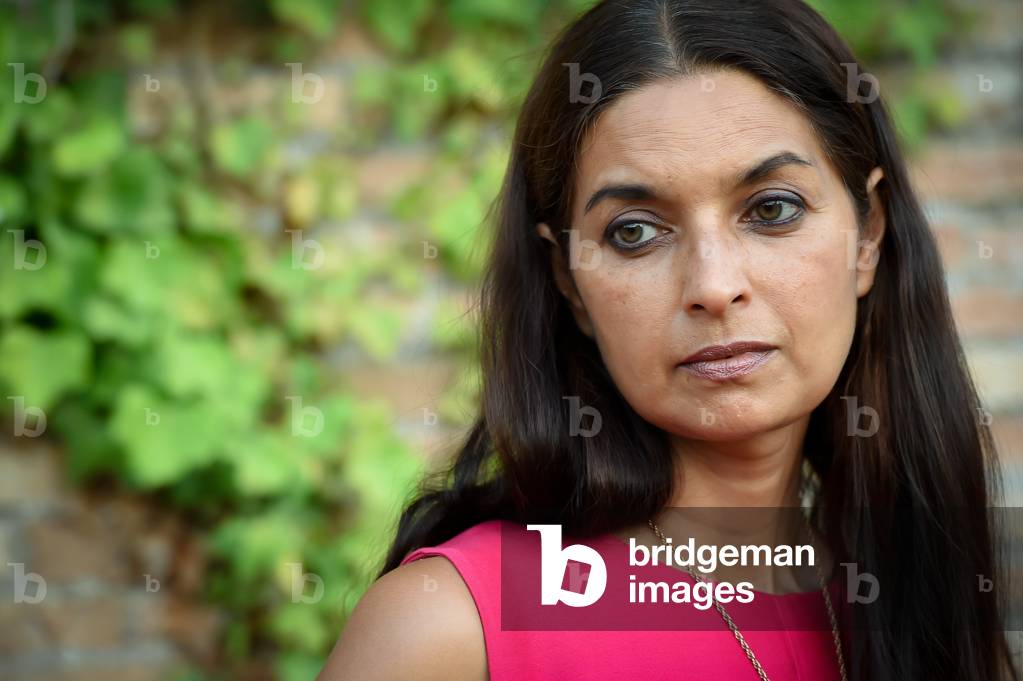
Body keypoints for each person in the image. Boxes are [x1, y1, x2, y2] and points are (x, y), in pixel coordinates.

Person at [317, 1, 1019, 679]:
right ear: (568, 279)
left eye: (771, 209)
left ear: (866, 235)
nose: (713, 285)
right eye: (634, 231)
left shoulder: (927, 605)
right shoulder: (451, 628)